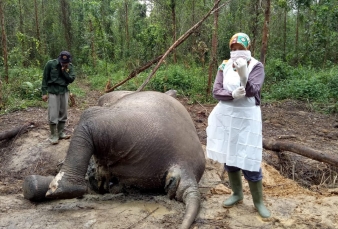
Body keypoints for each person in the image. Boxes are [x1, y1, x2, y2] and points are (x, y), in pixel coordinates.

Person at [206, 33, 271, 218]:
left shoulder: (256, 66)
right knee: (230, 156)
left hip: (247, 118)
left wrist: (244, 75)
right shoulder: (224, 65)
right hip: (227, 116)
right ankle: (237, 194)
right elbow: (216, 91)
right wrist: (231, 95)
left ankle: (258, 202)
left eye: (240, 49)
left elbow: (252, 91)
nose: (236, 52)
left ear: (248, 48)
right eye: (233, 49)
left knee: (249, 157)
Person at [41, 51, 76, 145]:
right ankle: (53, 135)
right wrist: (44, 92)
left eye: (66, 62)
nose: (63, 64)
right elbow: (45, 78)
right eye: (62, 62)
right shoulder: (50, 64)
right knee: (53, 114)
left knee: (63, 113)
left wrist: (64, 71)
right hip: (53, 91)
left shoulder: (70, 67)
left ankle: (60, 133)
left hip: (64, 91)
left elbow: (71, 79)